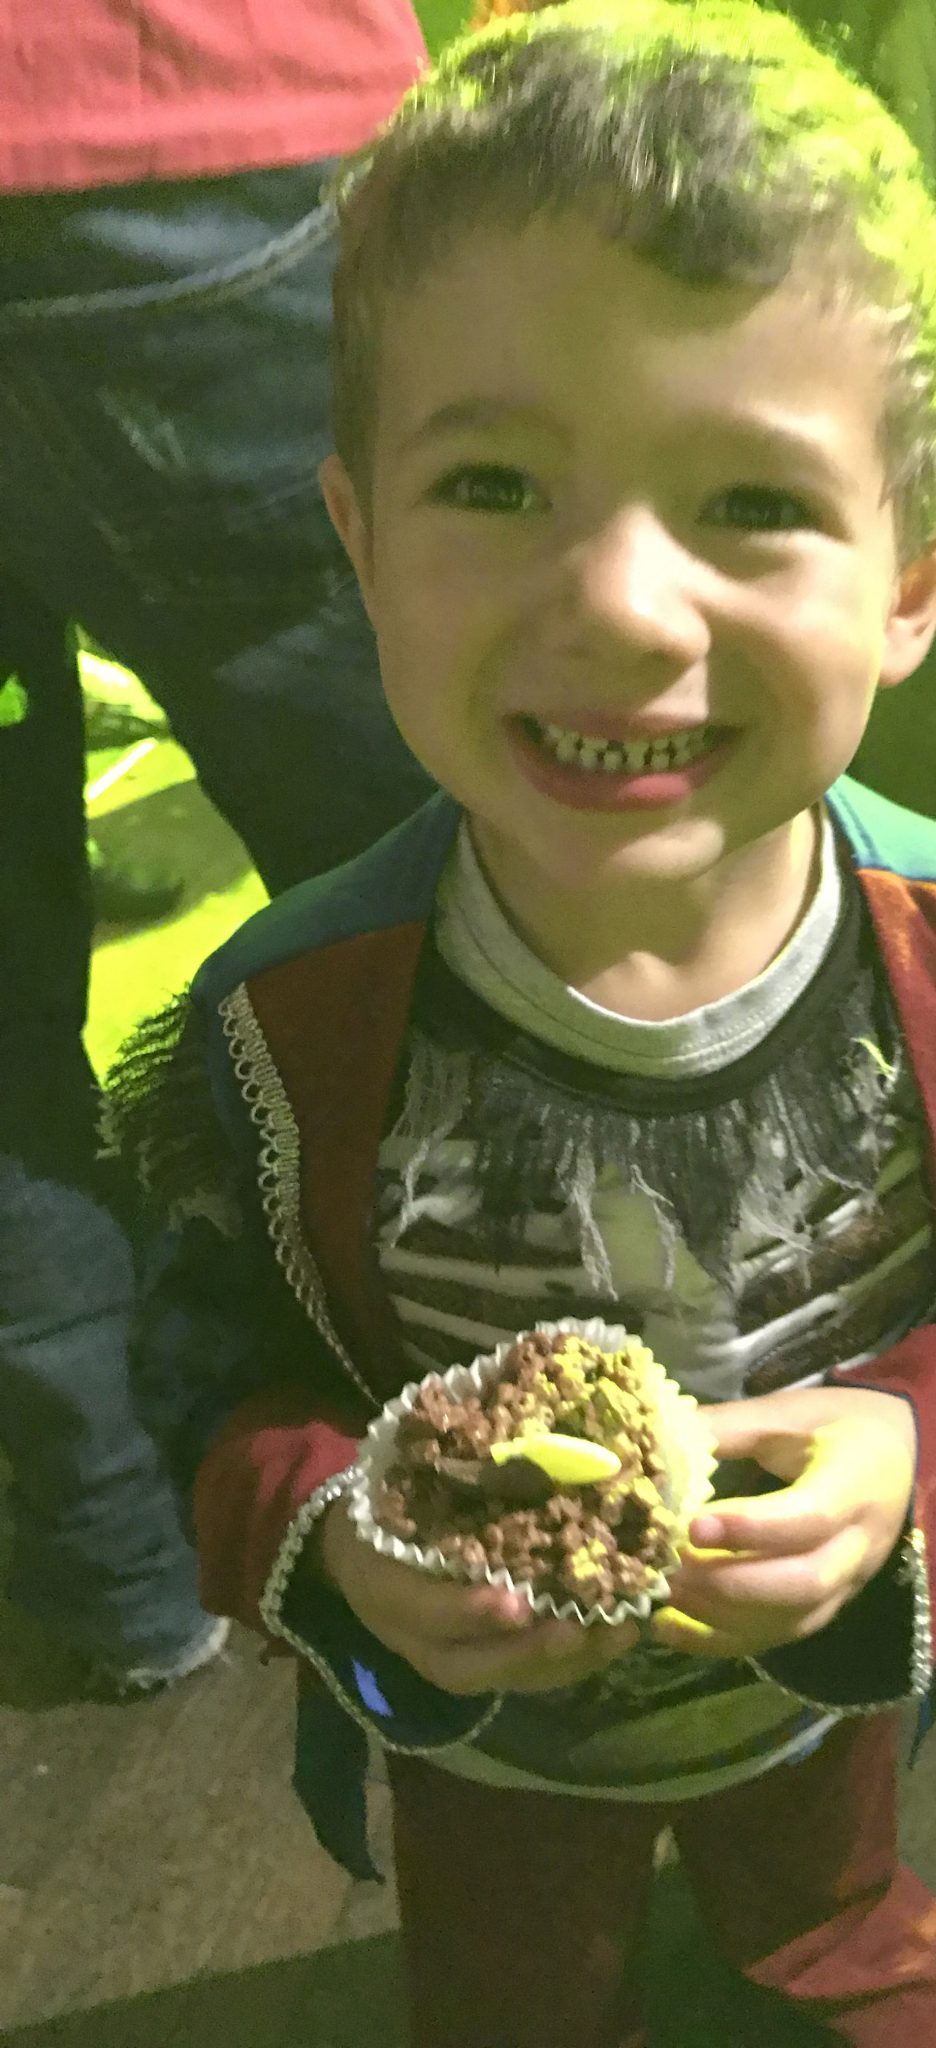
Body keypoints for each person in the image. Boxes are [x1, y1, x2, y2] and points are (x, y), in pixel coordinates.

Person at [112, 6, 936, 2043]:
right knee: (510, 1991)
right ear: (359, 539)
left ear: (915, 578)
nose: (615, 606)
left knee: (833, 1943)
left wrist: (921, 1434)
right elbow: (198, 1374)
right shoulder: (287, 1024)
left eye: (752, 500)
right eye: (494, 481)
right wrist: (332, 1535)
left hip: (819, 1708)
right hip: (487, 1749)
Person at [0, 2, 435, 1696]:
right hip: (168, 118)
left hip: (154, 146)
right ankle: (542, 1480)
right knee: (454, 895)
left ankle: (119, 1556)